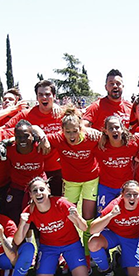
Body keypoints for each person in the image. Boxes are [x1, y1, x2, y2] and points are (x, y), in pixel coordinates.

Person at [13, 177, 90, 276]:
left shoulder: (61, 203)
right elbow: (17, 240)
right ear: (30, 195)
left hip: (71, 244)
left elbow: (84, 227)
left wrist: (77, 217)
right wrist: (21, 224)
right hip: (48, 247)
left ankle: (67, 262)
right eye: (35, 191)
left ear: (48, 190)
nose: (38, 193)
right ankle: (56, 263)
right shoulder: (30, 210)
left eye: (41, 189)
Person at [46, 106, 101, 251]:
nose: (71, 135)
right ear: (62, 131)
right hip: (70, 182)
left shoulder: (91, 137)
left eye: (75, 131)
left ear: (81, 129)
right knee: (68, 215)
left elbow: (107, 138)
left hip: (91, 180)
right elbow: (36, 133)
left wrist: (96, 132)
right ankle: (70, 249)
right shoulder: (57, 138)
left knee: (88, 217)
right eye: (67, 132)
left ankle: (88, 253)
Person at [5, 80, 64, 197]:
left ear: (54, 96)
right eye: (40, 94)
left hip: (57, 168)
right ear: (36, 97)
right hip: (34, 169)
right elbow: (6, 130)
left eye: (48, 94)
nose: (44, 97)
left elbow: (78, 126)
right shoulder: (26, 114)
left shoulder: (61, 114)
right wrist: (35, 130)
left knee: (55, 203)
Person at [89, 180, 139, 276]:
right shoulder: (115, 205)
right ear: (122, 195)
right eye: (128, 194)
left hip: (131, 238)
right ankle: (106, 270)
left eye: (135, 194)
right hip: (113, 235)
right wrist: (110, 215)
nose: (132, 198)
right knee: (93, 242)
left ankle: (119, 258)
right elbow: (92, 229)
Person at [3, 120, 47, 224]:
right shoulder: (9, 149)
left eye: (26, 136)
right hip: (17, 187)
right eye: (18, 137)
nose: (22, 140)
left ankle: (40, 239)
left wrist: (44, 138)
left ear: (33, 136)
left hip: (38, 188)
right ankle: (25, 240)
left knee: (41, 218)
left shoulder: (42, 146)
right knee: (18, 219)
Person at [94, 115, 138, 213]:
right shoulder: (100, 147)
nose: (114, 130)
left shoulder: (132, 146)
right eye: (110, 128)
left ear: (122, 129)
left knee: (125, 215)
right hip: (106, 186)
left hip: (125, 188)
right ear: (105, 131)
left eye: (117, 127)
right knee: (102, 214)